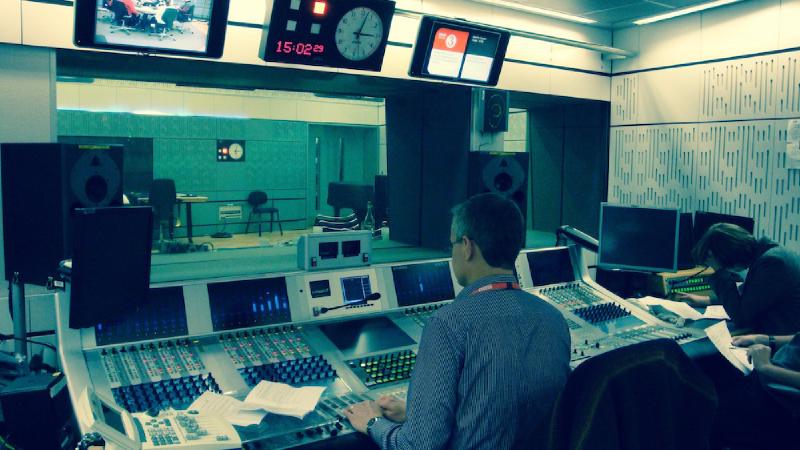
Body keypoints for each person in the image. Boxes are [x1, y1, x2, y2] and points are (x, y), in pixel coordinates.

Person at [342, 193, 571, 450]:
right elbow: (504, 412)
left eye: (451, 244)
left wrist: (373, 422)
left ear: (467, 246)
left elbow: (418, 446)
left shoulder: (448, 323)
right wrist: (418, 416)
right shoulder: (553, 319)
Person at [676, 223, 800, 334]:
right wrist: (706, 300)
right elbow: (750, 296)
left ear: (729, 257)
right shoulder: (768, 253)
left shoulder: (772, 263)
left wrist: (719, 271)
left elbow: (740, 317)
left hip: (783, 346)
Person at [708, 332, 800, 448]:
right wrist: (767, 339)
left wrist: (766, 367)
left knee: (706, 414)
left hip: (783, 402)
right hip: (771, 376)